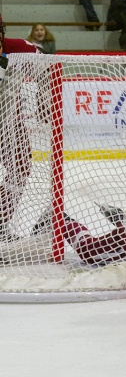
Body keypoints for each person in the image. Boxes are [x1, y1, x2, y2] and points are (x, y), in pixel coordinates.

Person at [0, 14, 41, 239]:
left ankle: (1, 220)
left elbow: (46, 70)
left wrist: (45, 100)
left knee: (21, 167)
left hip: (9, 121)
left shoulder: (19, 48)